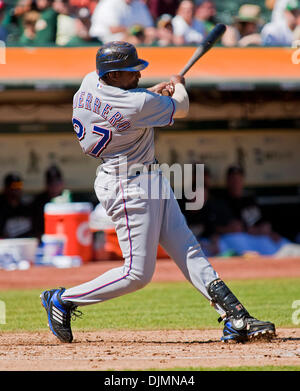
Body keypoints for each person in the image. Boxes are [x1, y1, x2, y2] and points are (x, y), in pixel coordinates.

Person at [40, 41, 275, 344]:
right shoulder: (138, 104)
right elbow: (182, 106)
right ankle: (62, 300)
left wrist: (151, 92)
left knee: (188, 248)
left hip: (142, 177)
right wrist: (177, 87)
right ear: (111, 75)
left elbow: (126, 104)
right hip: (129, 186)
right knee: (137, 274)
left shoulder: (89, 83)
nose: (137, 74)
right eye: (130, 71)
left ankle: (236, 317)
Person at [89, 0, 156, 45]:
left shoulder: (139, 4)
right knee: (132, 40)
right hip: (100, 42)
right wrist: (133, 30)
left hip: (129, 39)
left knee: (150, 35)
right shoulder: (109, 3)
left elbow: (149, 28)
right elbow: (113, 29)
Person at [31, 165, 70, 240]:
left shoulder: (67, 199)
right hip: (45, 240)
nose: (54, 186)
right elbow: (36, 229)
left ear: (62, 183)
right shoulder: (38, 201)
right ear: (46, 184)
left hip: (65, 238)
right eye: (51, 183)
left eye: (57, 182)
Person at [0, 173, 34, 238]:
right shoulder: (2, 206)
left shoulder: (25, 207)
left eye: (19, 185)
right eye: (14, 186)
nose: (17, 189)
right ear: (6, 188)